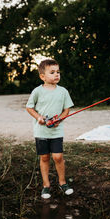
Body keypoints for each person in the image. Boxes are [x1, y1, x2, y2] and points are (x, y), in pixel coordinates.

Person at [26, 59, 74, 199]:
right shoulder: (37, 91)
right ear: (43, 76)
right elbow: (29, 107)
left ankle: (63, 183)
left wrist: (60, 119)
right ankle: (46, 186)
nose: (56, 75)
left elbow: (66, 110)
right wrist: (39, 118)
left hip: (56, 131)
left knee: (58, 157)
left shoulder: (63, 91)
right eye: (52, 72)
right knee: (45, 157)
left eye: (58, 72)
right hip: (41, 131)